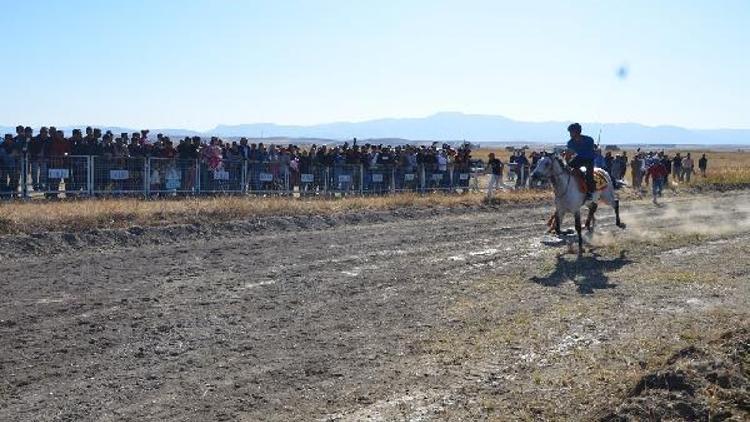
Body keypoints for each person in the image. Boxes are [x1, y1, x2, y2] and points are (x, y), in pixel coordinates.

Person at [566, 123, 596, 200]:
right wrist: (567, 163)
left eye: (571, 132)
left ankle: (590, 192)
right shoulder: (570, 142)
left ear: (577, 132)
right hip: (578, 159)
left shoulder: (589, 140)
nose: (570, 134)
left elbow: (590, 152)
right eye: (570, 132)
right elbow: (569, 155)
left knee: (589, 175)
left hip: (588, 160)